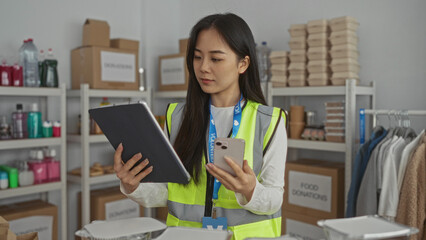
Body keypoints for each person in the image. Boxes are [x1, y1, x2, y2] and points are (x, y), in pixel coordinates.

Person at [114, 13, 288, 240]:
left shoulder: (270, 121)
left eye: (216, 59)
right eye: (197, 57)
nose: (203, 67)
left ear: (243, 64)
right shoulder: (176, 117)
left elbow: (275, 198)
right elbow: (167, 193)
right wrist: (132, 186)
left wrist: (250, 190)